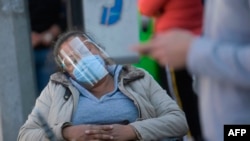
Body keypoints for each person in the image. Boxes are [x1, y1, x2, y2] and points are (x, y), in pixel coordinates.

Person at [17, 30, 188, 141]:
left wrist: (133, 131)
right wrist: (67, 133)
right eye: (72, 60)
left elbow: (178, 121)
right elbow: (25, 135)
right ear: (66, 71)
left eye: (86, 50)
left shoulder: (138, 78)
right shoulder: (57, 88)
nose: (82, 60)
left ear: (100, 50)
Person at [132, 0, 250, 141]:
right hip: (224, 128)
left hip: (238, 128)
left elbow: (146, 7)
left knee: (180, 100)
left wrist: (192, 51)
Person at [138, 0, 203, 140]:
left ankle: (191, 136)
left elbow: (145, 8)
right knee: (194, 93)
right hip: (196, 40)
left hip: (174, 47)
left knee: (179, 96)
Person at [28, 0, 66, 94]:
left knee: (47, 93)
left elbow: (64, 19)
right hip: (24, 50)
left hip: (47, 49)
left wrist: (45, 36)